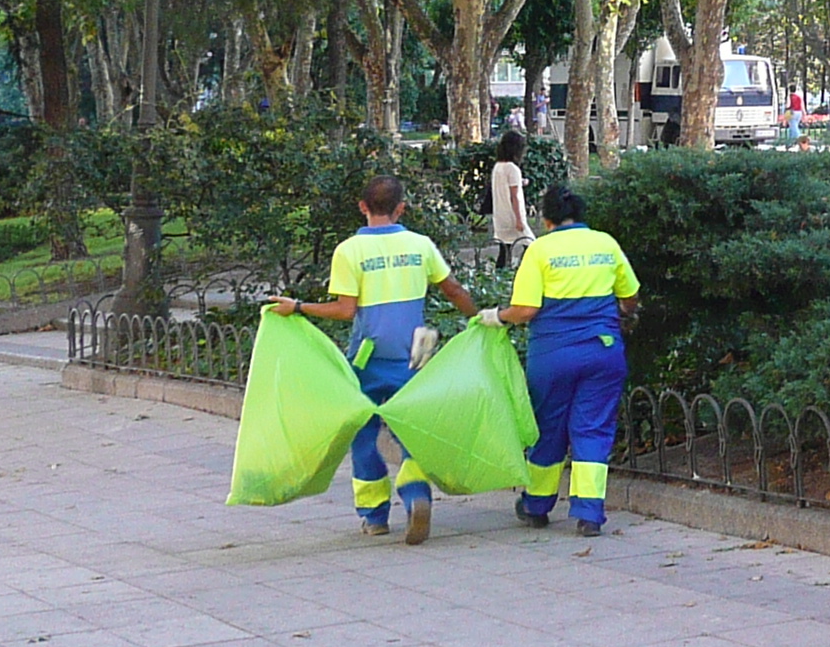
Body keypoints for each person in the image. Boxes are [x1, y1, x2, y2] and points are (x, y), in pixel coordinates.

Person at [267, 175, 476, 543]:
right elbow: (453, 289)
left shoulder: (349, 251)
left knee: (363, 437)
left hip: (366, 360)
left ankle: (375, 516)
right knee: (411, 430)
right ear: (401, 208)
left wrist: (298, 306)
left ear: (362, 207)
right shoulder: (420, 245)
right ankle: (416, 497)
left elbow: (346, 310)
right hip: (412, 357)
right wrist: (480, 320)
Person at [496, 184, 638, 537]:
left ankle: (536, 505)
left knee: (548, 428)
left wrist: (497, 317)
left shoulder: (541, 250)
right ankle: (589, 513)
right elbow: (630, 295)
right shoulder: (605, 243)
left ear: (546, 219)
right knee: (593, 429)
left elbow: (526, 310)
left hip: (553, 355)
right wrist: (627, 315)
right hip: (603, 352)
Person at [488, 130, 531, 270]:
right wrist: (519, 219)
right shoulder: (513, 169)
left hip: (500, 214)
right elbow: (515, 196)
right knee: (529, 244)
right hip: (513, 215)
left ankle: (500, 274)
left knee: (504, 248)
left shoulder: (498, 167)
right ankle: (524, 270)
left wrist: (520, 182)